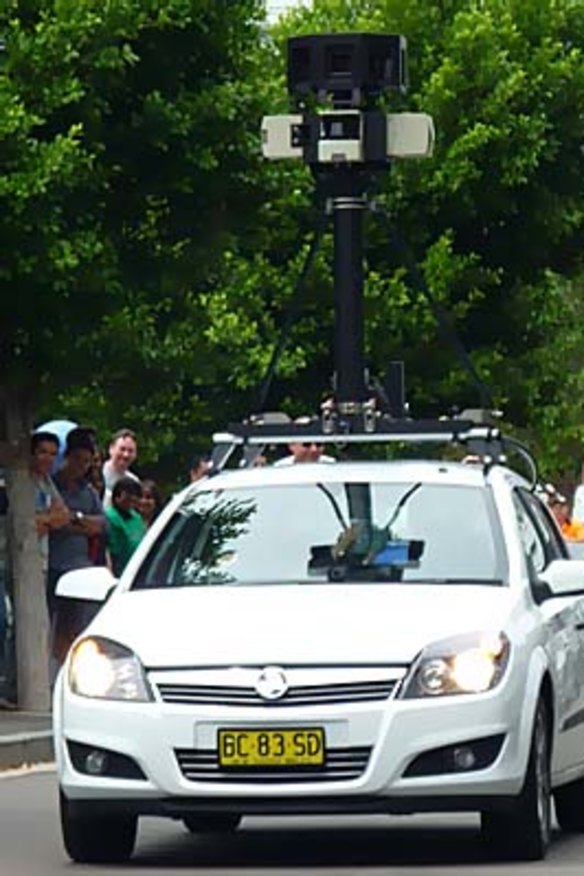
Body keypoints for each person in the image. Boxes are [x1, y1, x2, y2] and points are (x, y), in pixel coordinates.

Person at [48, 429, 106, 669]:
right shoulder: (52, 484)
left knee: (73, 627)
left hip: (79, 568)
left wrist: (73, 519)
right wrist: (79, 522)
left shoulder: (89, 491)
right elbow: (55, 521)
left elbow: (100, 525)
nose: (83, 466)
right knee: (49, 624)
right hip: (53, 564)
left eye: (87, 461)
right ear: (67, 457)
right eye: (78, 460)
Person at [105, 477, 147, 577]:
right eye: (128, 494)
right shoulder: (110, 516)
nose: (132, 498)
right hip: (119, 568)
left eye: (135, 495)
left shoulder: (136, 517)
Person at [102, 428, 139, 508]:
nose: (126, 455)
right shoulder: (98, 473)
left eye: (130, 451)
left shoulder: (134, 482)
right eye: (122, 449)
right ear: (111, 449)